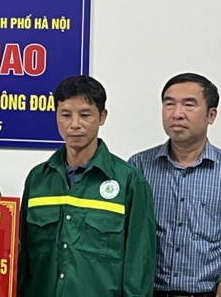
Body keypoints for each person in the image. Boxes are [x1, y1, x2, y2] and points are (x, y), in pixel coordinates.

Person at [18, 75, 156, 296]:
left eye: (85, 115)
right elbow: (23, 258)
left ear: (102, 117)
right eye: (65, 115)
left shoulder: (129, 181)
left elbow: (138, 265)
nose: (74, 124)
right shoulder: (38, 179)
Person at [129, 73, 221, 297]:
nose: (177, 113)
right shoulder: (138, 166)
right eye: (169, 104)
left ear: (211, 115)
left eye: (189, 105)